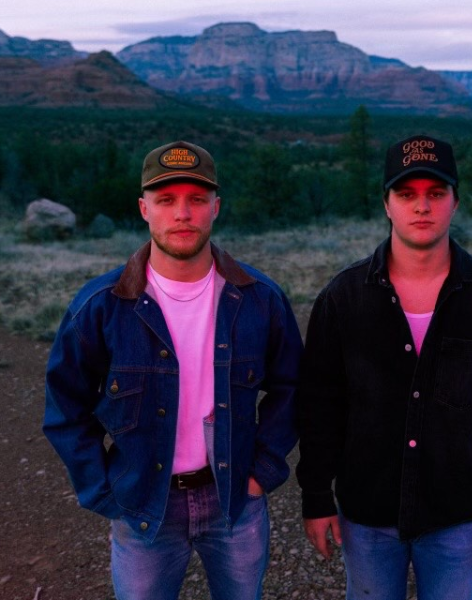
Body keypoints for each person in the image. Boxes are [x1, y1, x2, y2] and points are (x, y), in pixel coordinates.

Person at [44, 140, 303, 600]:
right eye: (166, 200)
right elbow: (64, 406)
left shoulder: (260, 298)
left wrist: (262, 470)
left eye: (196, 199)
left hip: (234, 502)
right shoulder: (100, 306)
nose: (182, 213)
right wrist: (105, 492)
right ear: (144, 209)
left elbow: (294, 387)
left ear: (215, 208)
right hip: (143, 503)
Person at [296, 135, 472, 600]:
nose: (421, 206)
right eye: (406, 194)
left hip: (458, 514)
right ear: (387, 204)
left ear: (455, 201)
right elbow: (319, 409)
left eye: (435, 193)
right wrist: (316, 496)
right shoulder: (343, 298)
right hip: (367, 514)